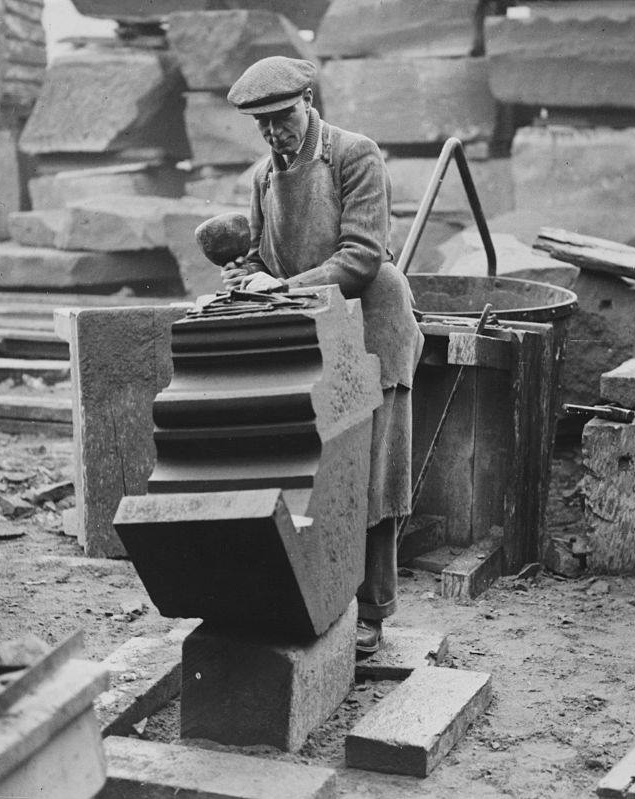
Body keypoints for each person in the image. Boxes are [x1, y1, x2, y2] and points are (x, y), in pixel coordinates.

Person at [224, 56, 424, 656]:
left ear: (307, 100)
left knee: (373, 476)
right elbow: (263, 259)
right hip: (314, 329)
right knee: (311, 470)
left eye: (282, 119)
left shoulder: (355, 154)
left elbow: (362, 257)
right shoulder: (263, 177)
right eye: (261, 125)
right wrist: (248, 279)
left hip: (372, 324)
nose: (273, 134)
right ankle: (316, 600)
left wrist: (282, 288)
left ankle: (372, 613)